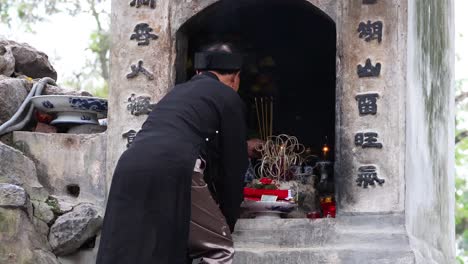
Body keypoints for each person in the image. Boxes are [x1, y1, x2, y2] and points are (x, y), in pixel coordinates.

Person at [96, 43, 249, 264]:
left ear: (198, 73)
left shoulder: (177, 92)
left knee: (133, 249)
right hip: (176, 166)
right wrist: (227, 219)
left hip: (128, 165)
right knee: (219, 249)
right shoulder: (228, 97)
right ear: (236, 78)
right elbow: (233, 166)